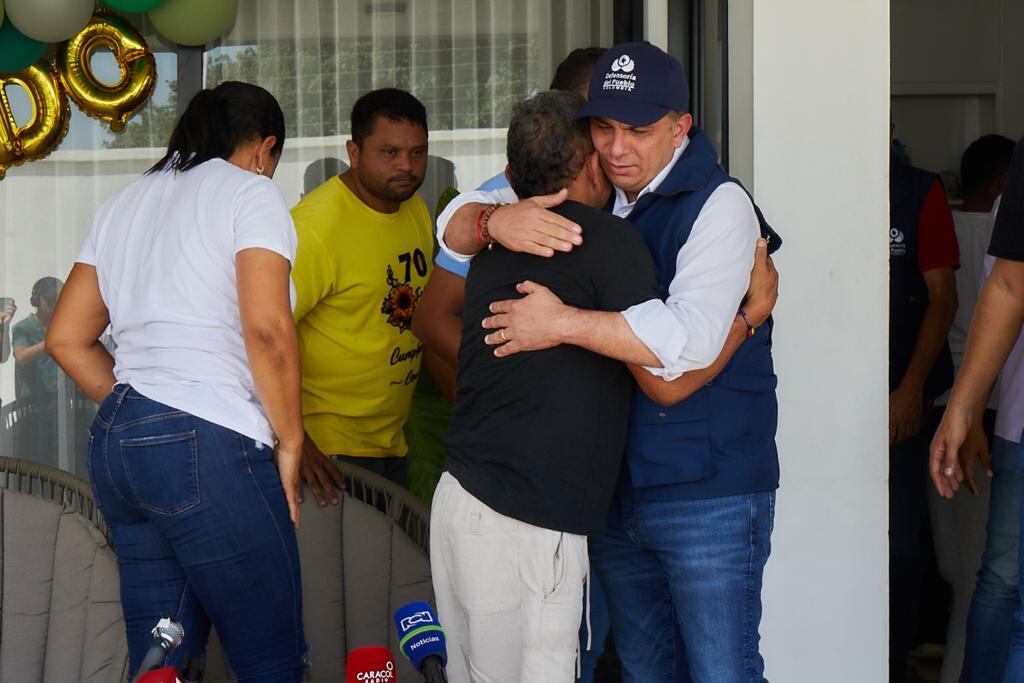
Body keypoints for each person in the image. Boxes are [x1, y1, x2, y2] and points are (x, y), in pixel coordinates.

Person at [436, 41, 779, 681]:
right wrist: (490, 221)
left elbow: (681, 356)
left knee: (722, 671)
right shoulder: (594, 191)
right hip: (617, 495)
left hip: (706, 492)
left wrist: (561, 322)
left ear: (680, 127)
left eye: (639, 131)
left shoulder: (719, 204)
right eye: (605, 129)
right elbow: (453, 220)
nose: (618, 148)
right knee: (645, 669)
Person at [45, 81, 307, 682]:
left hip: (119, 443)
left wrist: (143, 413)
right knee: (271, 663)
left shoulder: (123, 202)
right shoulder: (250, 192)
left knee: (161, 665)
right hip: (208, 440)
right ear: (264, 148)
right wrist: (291, 439)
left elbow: (66, 338)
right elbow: (267, 329)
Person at [291, 88, 433, 505]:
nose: (406, 165)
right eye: (389, 152)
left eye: (417, 152)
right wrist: (295, 440)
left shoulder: (413, 207)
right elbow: (254, 334)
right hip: (328, 452)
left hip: (391, 442)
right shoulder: (314, 229)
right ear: (354, 152)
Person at [927, 134, 1015, 683]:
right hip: (988, 411)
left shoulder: (959, 226)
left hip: (960, 408)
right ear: (1003, 180)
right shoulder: (997, 226)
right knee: (988, 576)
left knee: (976, 576)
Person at [888, 134, 960, 681]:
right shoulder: (818, 177)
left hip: (904, 394)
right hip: (828, 394)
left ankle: (893, 660)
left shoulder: (918, 191)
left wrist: (911, 389)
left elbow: (943, 297)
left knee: (902, 541)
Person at [12, 277, 62, 400]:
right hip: (32, 403)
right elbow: (21, 356)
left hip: (60, 401)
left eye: (59, 299)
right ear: (36, 300)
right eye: (50, 299)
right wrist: (51, 342)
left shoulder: (63, 327)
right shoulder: (23, 327)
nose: (54, 304)